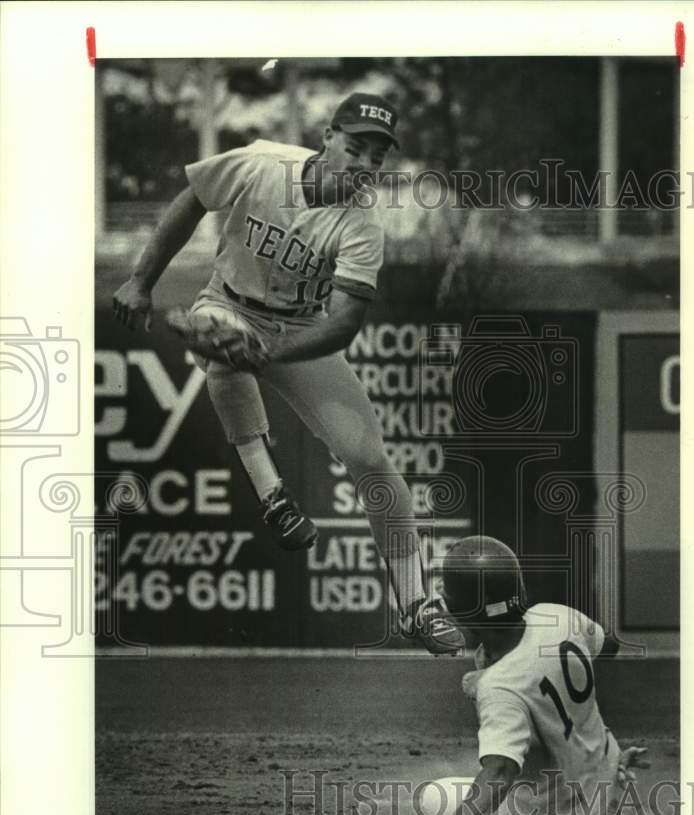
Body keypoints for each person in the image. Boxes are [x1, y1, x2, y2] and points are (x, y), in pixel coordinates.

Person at [112, 91, 463, 656]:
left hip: (300, 330)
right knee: (220, 342)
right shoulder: (261, 163)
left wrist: (270, 354)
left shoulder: (361, 226)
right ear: (327, 137)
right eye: (355, 148)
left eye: (377, 157)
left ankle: (417, 603)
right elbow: (192, 199)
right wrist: (142, 281)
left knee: (371, 461)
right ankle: (273, 495)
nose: (365, 165)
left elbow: (345, 325)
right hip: (228, 301)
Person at [419, 535, 649, 815]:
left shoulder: (500, 687)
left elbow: (500, 773)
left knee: (433, 797)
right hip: (610, 776)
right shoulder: (556, 615)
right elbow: (609, 645)